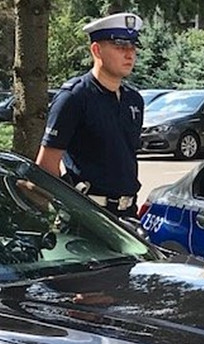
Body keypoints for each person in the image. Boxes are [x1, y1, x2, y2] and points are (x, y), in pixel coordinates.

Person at [35, 13, 144, 218]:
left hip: (127, 213)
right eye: (120, 46)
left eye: (133, 46)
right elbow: (46, 166)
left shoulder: (134, 99)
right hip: (87, 216)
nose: (130, 54)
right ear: (96, 50)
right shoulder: (74, 97)